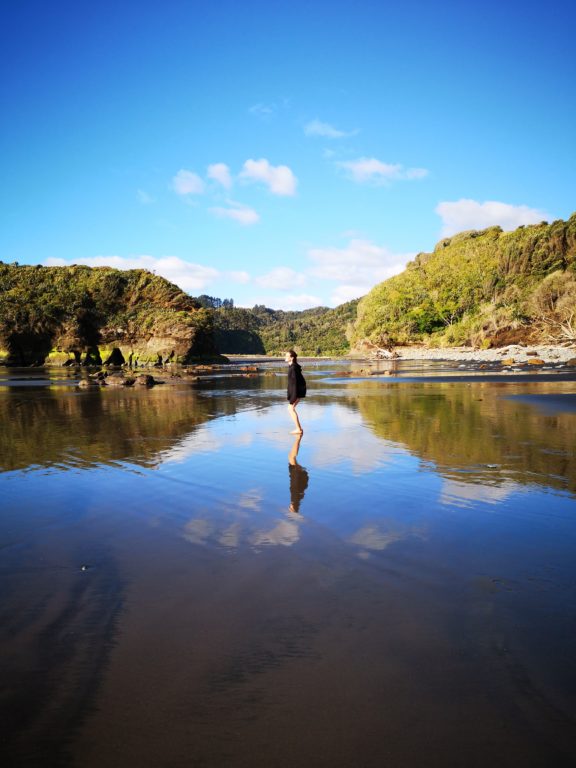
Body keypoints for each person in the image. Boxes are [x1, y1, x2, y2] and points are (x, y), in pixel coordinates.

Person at [285, 349, 306, 434]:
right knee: (290, 408)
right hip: (297, 390)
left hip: (297, 391)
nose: (285, 357)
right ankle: (298, 428)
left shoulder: (293, 368)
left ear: (292, 358)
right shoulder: (293, 367)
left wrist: (293, 396)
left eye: (287, 356)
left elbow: (295, 383)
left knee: (291, 408)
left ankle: (299, 429)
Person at [288, 433, 309, 513]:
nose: (289, 508)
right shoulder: (294, 499)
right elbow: (294, 485)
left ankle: (298, 439)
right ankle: (298, 438)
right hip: (295, 474)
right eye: (290, 508)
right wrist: (297, 472)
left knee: (291, 456)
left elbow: (303, 486)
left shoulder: (300, 498)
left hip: (296, 474)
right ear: (292, 507)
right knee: (291, 457)